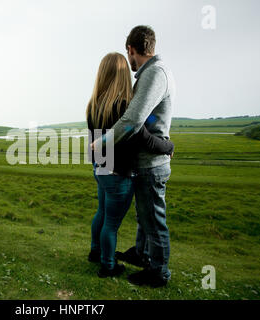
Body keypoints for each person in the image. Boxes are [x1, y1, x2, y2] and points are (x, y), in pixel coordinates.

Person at [91, 26, 175, 287]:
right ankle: (140, 255)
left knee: (150, 219)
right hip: (133, 163)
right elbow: (136, 122)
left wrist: (101, 145)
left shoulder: (153, 74)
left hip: (145, 163)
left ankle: (157, 270)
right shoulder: (149, 75)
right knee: (144, 217)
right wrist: (167, 146)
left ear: (131, 49)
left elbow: (135, 121)